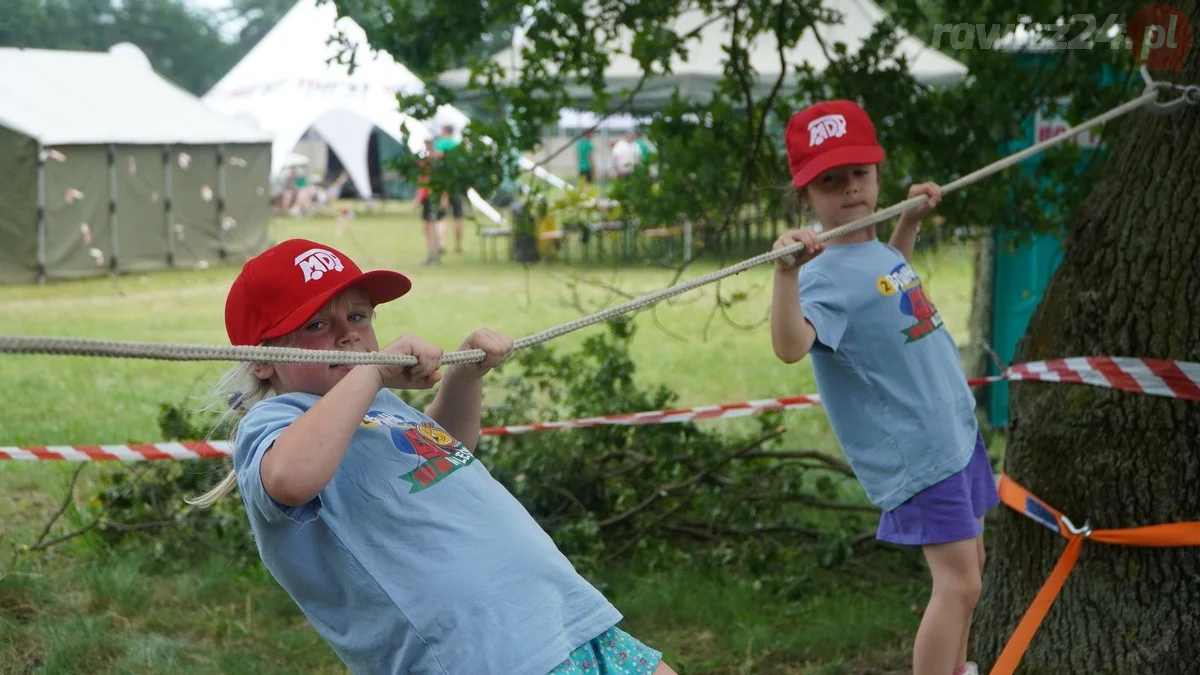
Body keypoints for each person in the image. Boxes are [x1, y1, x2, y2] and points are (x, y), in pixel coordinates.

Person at [190, 238, 678, 675]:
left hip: (562, 617)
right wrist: (373, 375)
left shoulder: (376, 403)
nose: (348, 335)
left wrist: (464, 377)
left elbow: (444, 454)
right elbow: (291, 478)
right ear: (261, 357)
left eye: (357, 316)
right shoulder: (275, 423)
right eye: (317, 324)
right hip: (484, 655)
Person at [769, 100, 996, 675]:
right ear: (807, 197)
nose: (849, 190)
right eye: (830, 181)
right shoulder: (818, 276)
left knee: (973, 569)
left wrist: (911, 220)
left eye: (859, 174)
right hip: (920, 451)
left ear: (877, 174)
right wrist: (786, 275)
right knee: (958, 586)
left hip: (954, 431)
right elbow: (792, 345)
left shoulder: (872, 250)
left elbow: (885, 279)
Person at [432, 125, 466, 254]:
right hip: (456, 185)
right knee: (458, 216)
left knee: (441, 216)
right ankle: (458, 245)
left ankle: (441, 244)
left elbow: (436, 159)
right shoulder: (457, 146)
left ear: (444, 131)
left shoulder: (440, 143)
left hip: (442, 185)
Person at [414, 139, 442, 266]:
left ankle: (434, 256)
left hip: (433, 196)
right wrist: (419, 197)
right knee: (428, 227)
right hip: (427, 197)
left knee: (432, 226)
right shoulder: (424, 162)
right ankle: (431, 254)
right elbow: (421, 180)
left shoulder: (438, 161)